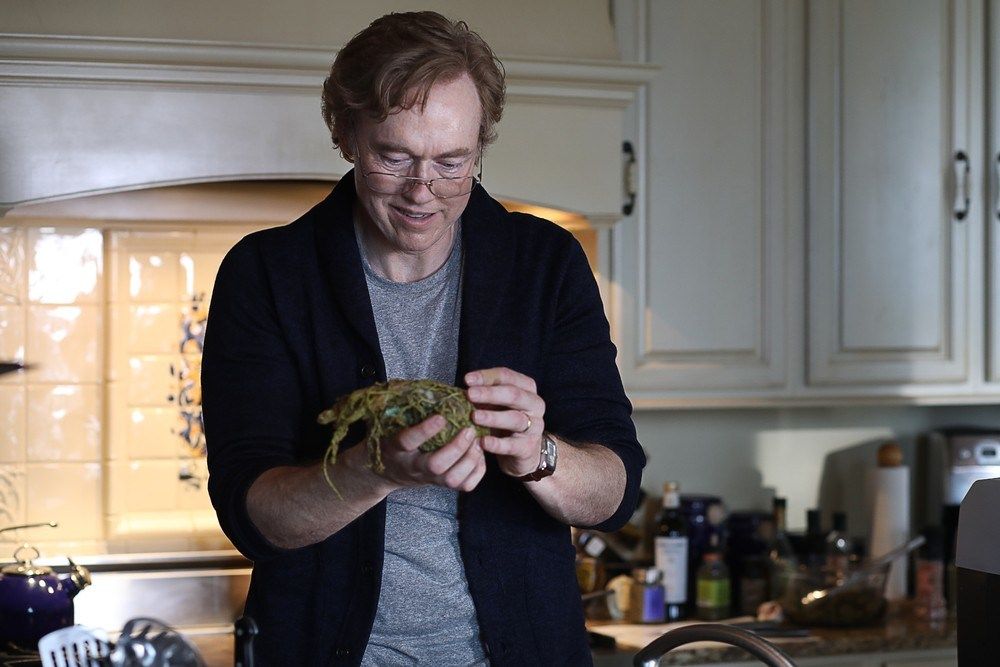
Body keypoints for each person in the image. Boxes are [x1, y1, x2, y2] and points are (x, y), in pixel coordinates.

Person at [202, 11, 644, 666]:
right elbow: (253, 517)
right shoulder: (267, 274)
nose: (422, 191)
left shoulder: (544, 265)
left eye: (451, 162)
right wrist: (373, 468)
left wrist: (539, 453)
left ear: (479, 148)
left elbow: (615, 491)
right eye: (394, 157)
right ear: (346, 133)